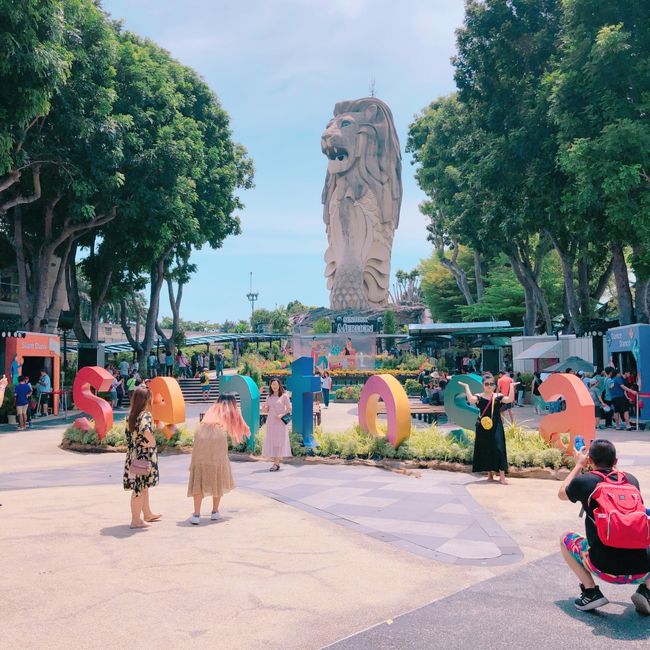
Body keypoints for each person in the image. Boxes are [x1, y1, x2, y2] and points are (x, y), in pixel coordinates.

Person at [559, 439, 650, 613]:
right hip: (642, 569)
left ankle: (591, 592)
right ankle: (647, 592)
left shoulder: (584, 482)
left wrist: (578, 466)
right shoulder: (632, 481)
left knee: (565, 538)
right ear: (615, 461)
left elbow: (562, 493)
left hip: (604, 568)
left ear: (590, 461)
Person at [187, 393, 249, 525]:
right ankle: (215, 512)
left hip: (201, 435)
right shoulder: (231, 408)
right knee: (218, 471)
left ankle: (196, 514)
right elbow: (241, 426)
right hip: (218, 437)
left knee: (200, 472)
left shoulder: (213, 408)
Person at [458, 373, 518, 485]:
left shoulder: (498, 396)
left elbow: (509, 399)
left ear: (494, 385)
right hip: (483, 427)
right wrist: (467, 387)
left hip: (496, 426)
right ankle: (490, 475)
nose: (489, 386)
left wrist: (511, 387)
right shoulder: (479, 396)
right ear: (483, 385)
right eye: (487, 384)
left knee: (499, 448)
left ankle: (502, 476)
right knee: (487, 448)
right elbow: (471, 400)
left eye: (491, 384)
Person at [122, 385, 160, 529]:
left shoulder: (131, 415)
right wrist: (152, 442)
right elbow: (146, 432)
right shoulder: (145, 415)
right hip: (143, 457)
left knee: (142, 487)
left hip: (133, 455)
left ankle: (148, 514)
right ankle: (135, 520)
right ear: (146, 399)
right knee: (139, 488)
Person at [262, 377, 292, 472]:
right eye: (272, 384)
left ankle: (276, 463)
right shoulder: (268, 397)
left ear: (279, 385)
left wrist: (282, 415)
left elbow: (289, 408)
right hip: (271, 422)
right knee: (273, 442)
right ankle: (276, 462)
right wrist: (264, 408)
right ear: (270, 386)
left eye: (276, 384)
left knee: (279, 442)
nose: (274, 386)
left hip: (280, 423)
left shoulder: (284, 396)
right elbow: (267, 410)